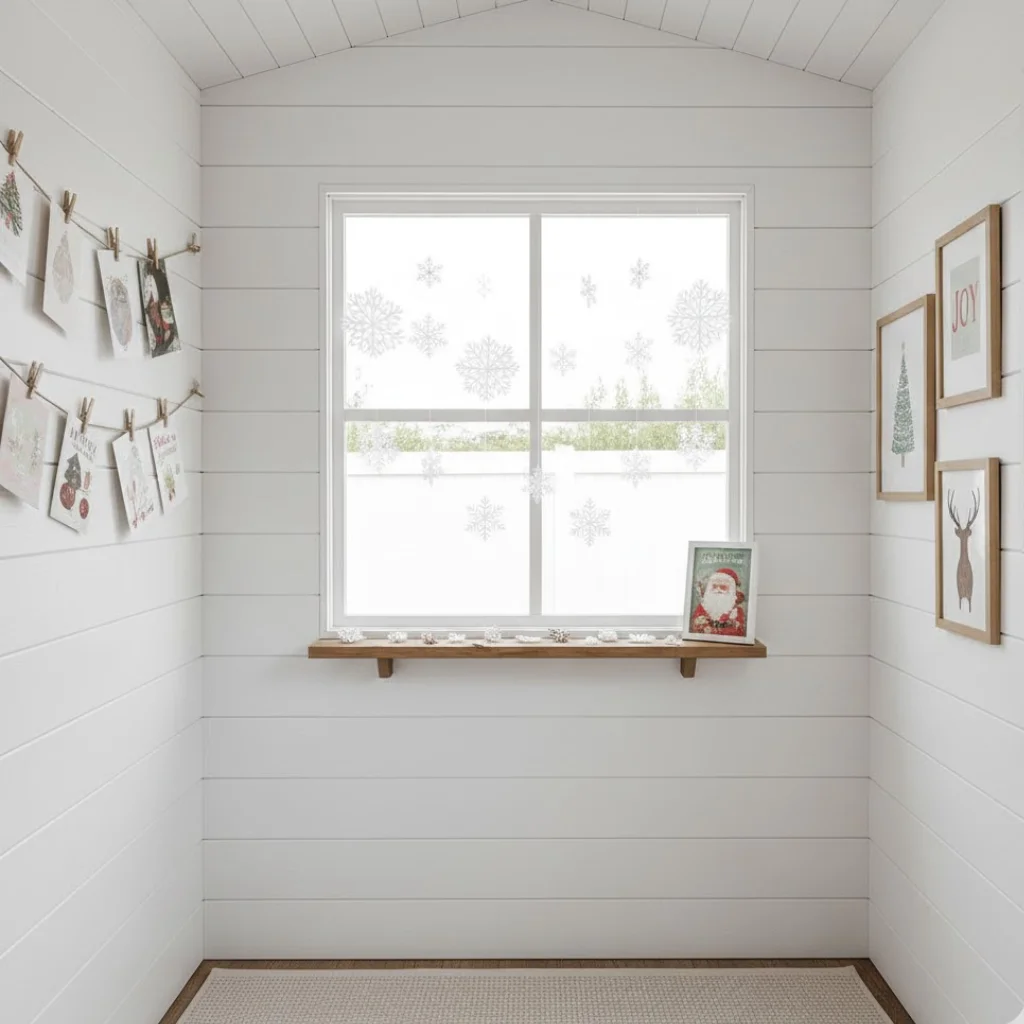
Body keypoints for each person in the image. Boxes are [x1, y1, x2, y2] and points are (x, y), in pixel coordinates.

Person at [690, 567, 746, 638]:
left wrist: (712, 629)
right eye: (714, 586)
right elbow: (696, 628)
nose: (718, 589)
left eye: (723, 587)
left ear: (731, 590)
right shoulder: (702, 607)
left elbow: (738, 632)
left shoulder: (738, 611)